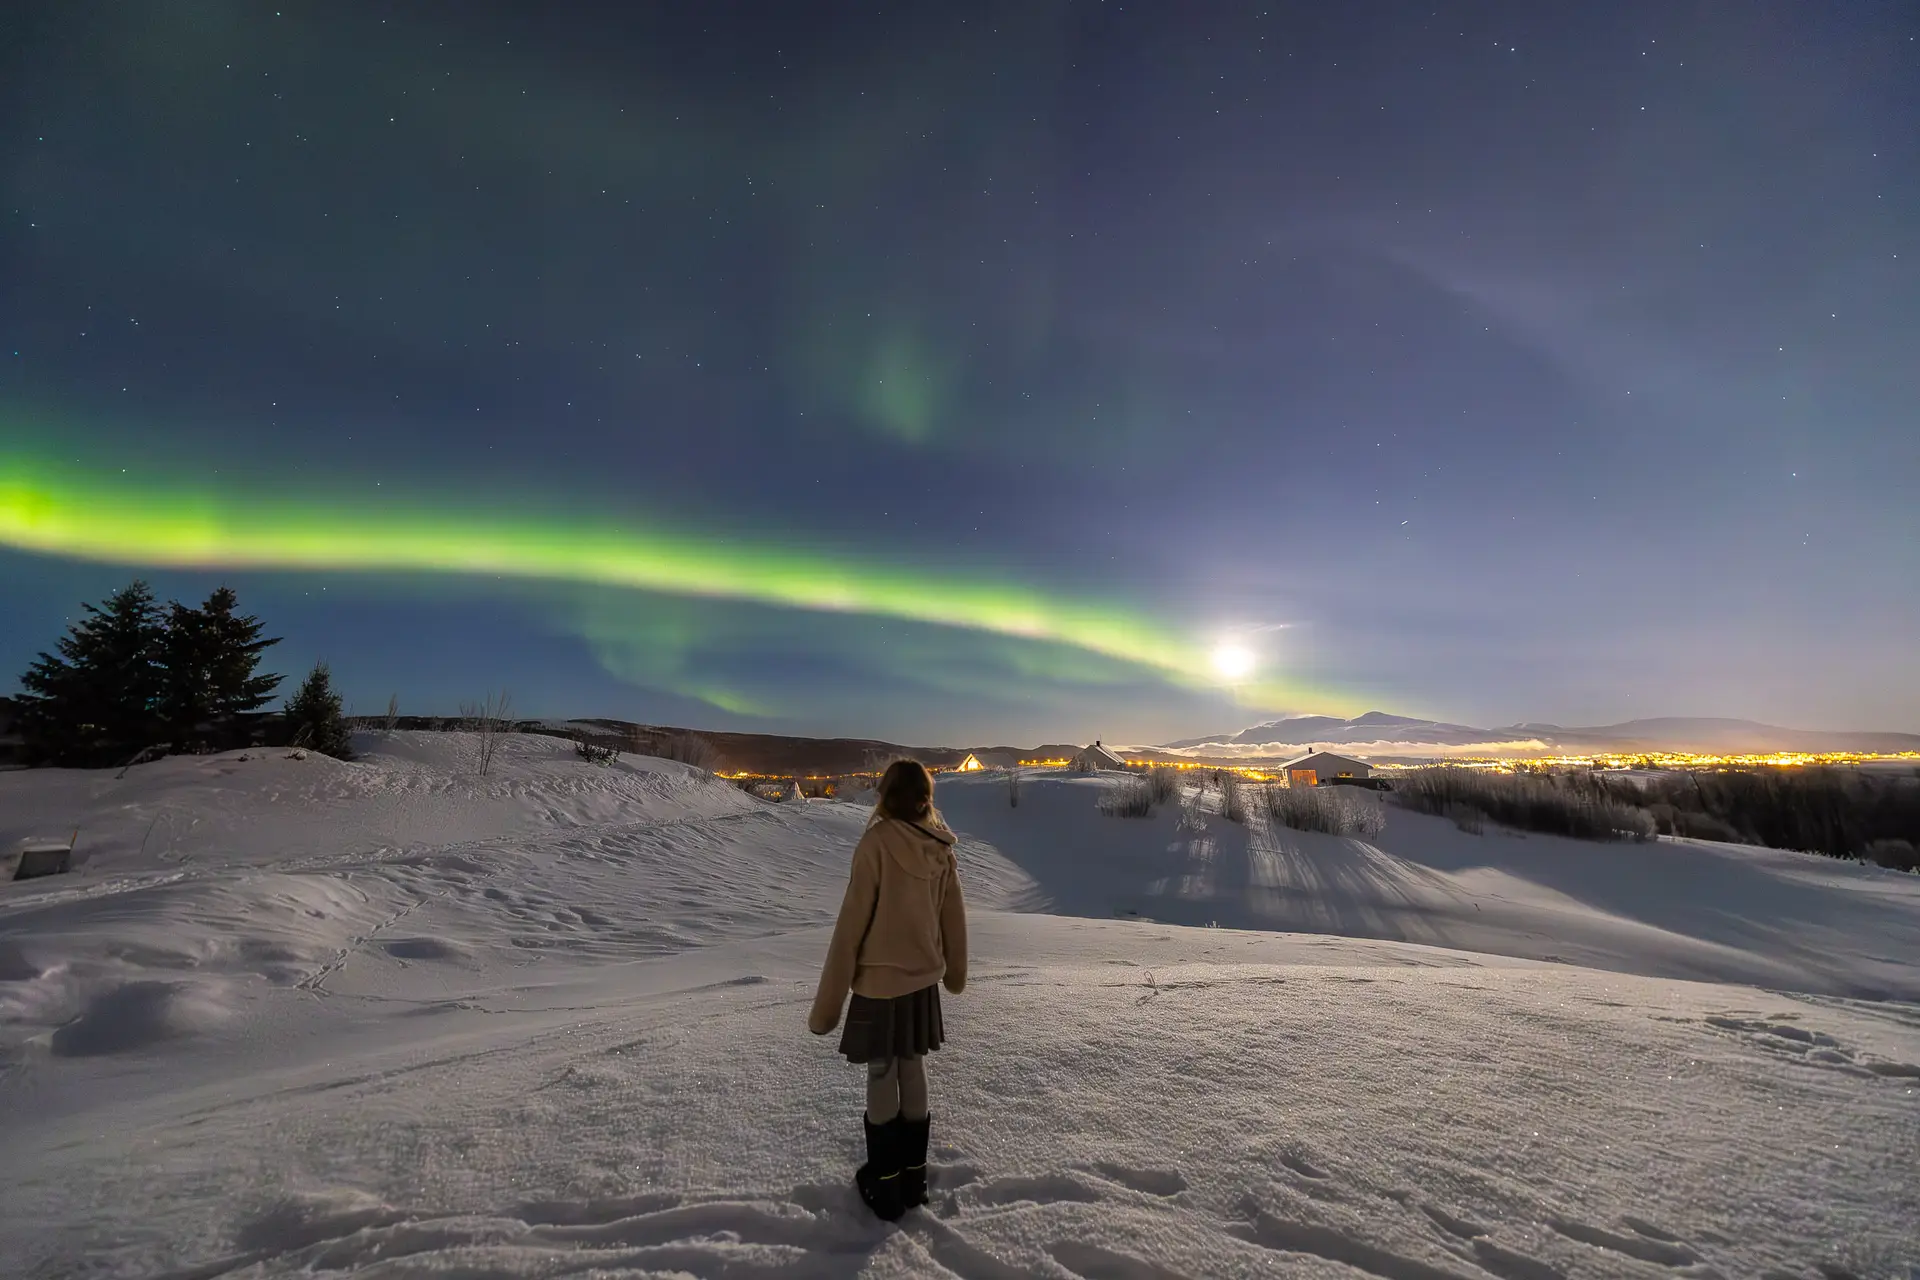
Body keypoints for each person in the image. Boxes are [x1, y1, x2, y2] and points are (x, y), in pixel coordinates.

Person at [808, 759, 968, 1221]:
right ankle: (914, 1181)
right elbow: (954, 918)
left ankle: (885, 1186)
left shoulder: (875, 844)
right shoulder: (940, 847)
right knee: (912, 1067)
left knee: (882, 1074)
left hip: (878, 987)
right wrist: (955, 973)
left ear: (886, 797)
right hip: (922, 985)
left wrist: (826, 1008)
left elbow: (850, 929)